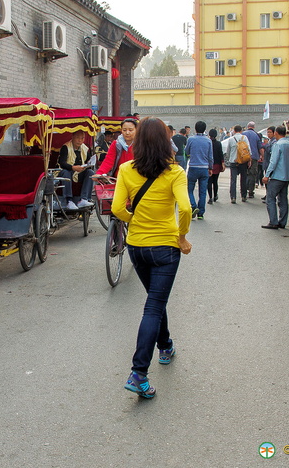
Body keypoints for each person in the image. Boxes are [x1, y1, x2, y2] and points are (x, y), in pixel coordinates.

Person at [111, 117, 192, 398]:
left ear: (140, 141)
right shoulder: (175, 172)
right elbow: (185, 209)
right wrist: (181, 237)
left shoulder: (125, 169)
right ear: (165, 141)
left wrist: (134, 221)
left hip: (136, 246)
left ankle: (166, 345)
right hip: (166, 248)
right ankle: (138, 373)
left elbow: (116, 208)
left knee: (156, 301)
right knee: (154, 306)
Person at [262, 125, 289, 229]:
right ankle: (282, 222)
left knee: (270, 198)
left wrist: (267, 175)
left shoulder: (277, 145)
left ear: (276, 133)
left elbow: (273, 161)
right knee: (283, 200)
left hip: (277, 176)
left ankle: (273, 221)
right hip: (286, 176)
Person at [56, 130, 95, 210]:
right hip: (65, 171)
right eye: (77, 138)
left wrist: (87, 165)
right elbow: (62, 163)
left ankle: (84, 199)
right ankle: (69, 201)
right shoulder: (66, 147)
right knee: (66, 173)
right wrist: (73, 168)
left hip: (79, 172)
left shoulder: (85, 148)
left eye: (82, 138)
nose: (80, 140)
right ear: (72, 137)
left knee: (90, 172)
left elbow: (88, 161)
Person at [184, 121, 213, 220]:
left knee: (189, 189)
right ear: (204, 129)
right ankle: (201, 213)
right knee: (202, 191)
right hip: (204, 168)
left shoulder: (191, 139)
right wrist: (210, 168)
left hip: (193, 167)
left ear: (195, 129)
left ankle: (193, 205)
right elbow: (210, 156)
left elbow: (186, 151)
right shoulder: (208, 141)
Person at [221, 125, 249, 204]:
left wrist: (230, 158)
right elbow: (248, 150)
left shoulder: (231, 139)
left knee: (233, 180)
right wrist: (249, 160)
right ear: (241, 131)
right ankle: (243, 196)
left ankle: (233, 197)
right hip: (243, 162)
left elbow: (228, 151)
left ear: (234, 131)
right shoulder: (245, 138)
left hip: (233, 161)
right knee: (243, 179)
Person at [243, 122, 263, 199]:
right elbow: (260, 147)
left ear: (248, 127)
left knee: (244, 173)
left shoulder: (243, 134)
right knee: (252, 174)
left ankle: (244, 190)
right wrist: (262, 156)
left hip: (244, 157)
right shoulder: (257, 135)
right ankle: (251, 191)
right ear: (254, 127)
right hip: (254, 157)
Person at [207, 128, 225, 204]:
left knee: (209, 182)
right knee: (215, 181)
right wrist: (223, 163)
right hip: (217, 164)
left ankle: (210, 197)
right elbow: (221, 154)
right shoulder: (218, 143)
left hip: (209, 164)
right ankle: (215, 195)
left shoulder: (207, 143)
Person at [261, 126, 277, 202]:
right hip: (266, 163)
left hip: (270, 164)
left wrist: (266, 145)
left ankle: (270, 196)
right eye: (268, 132)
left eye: (270, 132)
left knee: (269, 182)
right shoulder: (270, 141)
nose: (268, 134)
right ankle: (268, 195)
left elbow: (270, 151)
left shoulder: (274, 142)